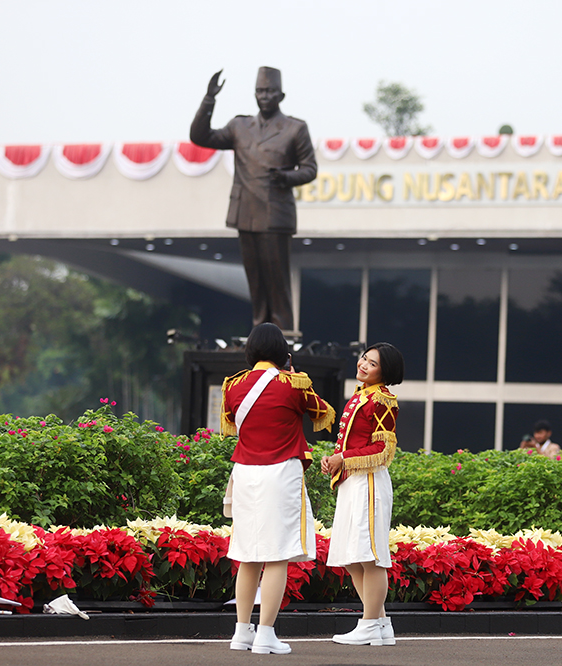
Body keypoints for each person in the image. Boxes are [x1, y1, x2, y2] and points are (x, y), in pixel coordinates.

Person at [220, 323, 336, 654]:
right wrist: (295, 374)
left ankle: (242, 631)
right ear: (283, 352)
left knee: (247, 555)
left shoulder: (233, 386)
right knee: (277, 557)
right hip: (280, 473)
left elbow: (231, 419)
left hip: (244, 473)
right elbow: (323, 413)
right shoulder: (293, 383)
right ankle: (266, 634)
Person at [190, 67, 317, 333]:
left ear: (281, 95)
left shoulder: (295, 128)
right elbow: (200, 137)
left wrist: (286, 177)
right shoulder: (240, 126)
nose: (265, 96)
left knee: (277, 280)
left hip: (275, 215)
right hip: (245, 212)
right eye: (260, 91)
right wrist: (209, 99)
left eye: (270, 91)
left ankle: (284, 334)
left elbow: (310, 169)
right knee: (255, 280)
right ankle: (260, 332)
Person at [321, 343, 404, 647]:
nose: (363, 364)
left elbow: (384, 450)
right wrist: (334, 459)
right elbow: (352, 441)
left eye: (372, 363)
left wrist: (344, 459)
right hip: (352, 482)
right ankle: (380, 623)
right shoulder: (361, 394)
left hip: (369, 482)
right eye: (364, 358)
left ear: (386, 371)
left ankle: (370, 623)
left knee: (370, 557)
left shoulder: (382, 400)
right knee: (351, 557)